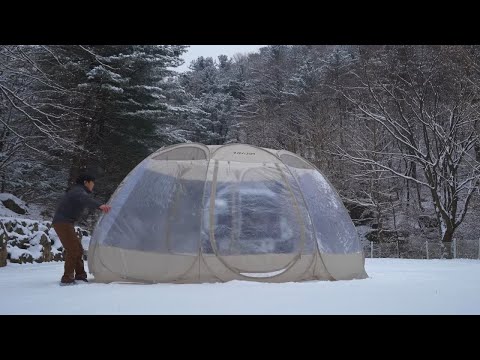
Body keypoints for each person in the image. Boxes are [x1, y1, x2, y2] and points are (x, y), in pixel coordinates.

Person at [52, 173, 111, 285]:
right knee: (73, 249)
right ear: (86, 182)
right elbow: (85, 199)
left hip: (66, 222)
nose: (93, 185)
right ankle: (67, 279)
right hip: (62, 222)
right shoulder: (78, 191)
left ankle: (80, 276)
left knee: (78, 249)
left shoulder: (78, 191)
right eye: (92, 182)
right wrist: (100, 206)